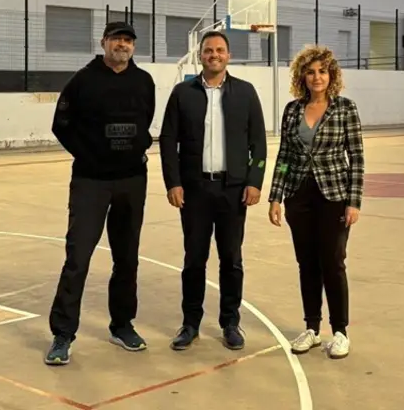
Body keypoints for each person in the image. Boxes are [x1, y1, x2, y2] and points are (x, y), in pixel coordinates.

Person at [45, 20, 156, 366]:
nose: (122, 45)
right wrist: (89, 156)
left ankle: (122, 325)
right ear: (104, 42)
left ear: (133, 46)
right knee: (78, 258)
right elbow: (61, 125)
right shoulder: (83, 80)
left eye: (128, 40)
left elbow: (146, 120)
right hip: (91, 182)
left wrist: (135, 150)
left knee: (127, 258)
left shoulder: (144, 81)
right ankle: (63, 334)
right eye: (116, 39)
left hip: (131, 181)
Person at [159, 30, 268, 352]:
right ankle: (190, 323)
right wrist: (173, 182)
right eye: (208, 50)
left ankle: (230, 322)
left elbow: (259, 143)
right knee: (194, 259)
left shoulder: (245, 93)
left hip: (233, 191)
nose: (214, 55)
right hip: (194, 191)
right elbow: (168, 141)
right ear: (200, 55)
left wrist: (254, 181)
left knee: (231, 259)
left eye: (220, 50)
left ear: (228, 56)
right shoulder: (182, 93)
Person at [267, 44, 365, 360]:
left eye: (322, 71)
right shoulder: (292, 110)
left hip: (334, 196)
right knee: (306, 263)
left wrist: (354, 202)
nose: (317, 77)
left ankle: (340, 332)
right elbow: (284, 157)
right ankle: (311, 327)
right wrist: (276, 196)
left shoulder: (345, 109)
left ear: (331, 75)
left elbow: (357, 157)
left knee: (333, 263)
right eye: (310, 72)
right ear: (302, 77)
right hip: (299, 197)